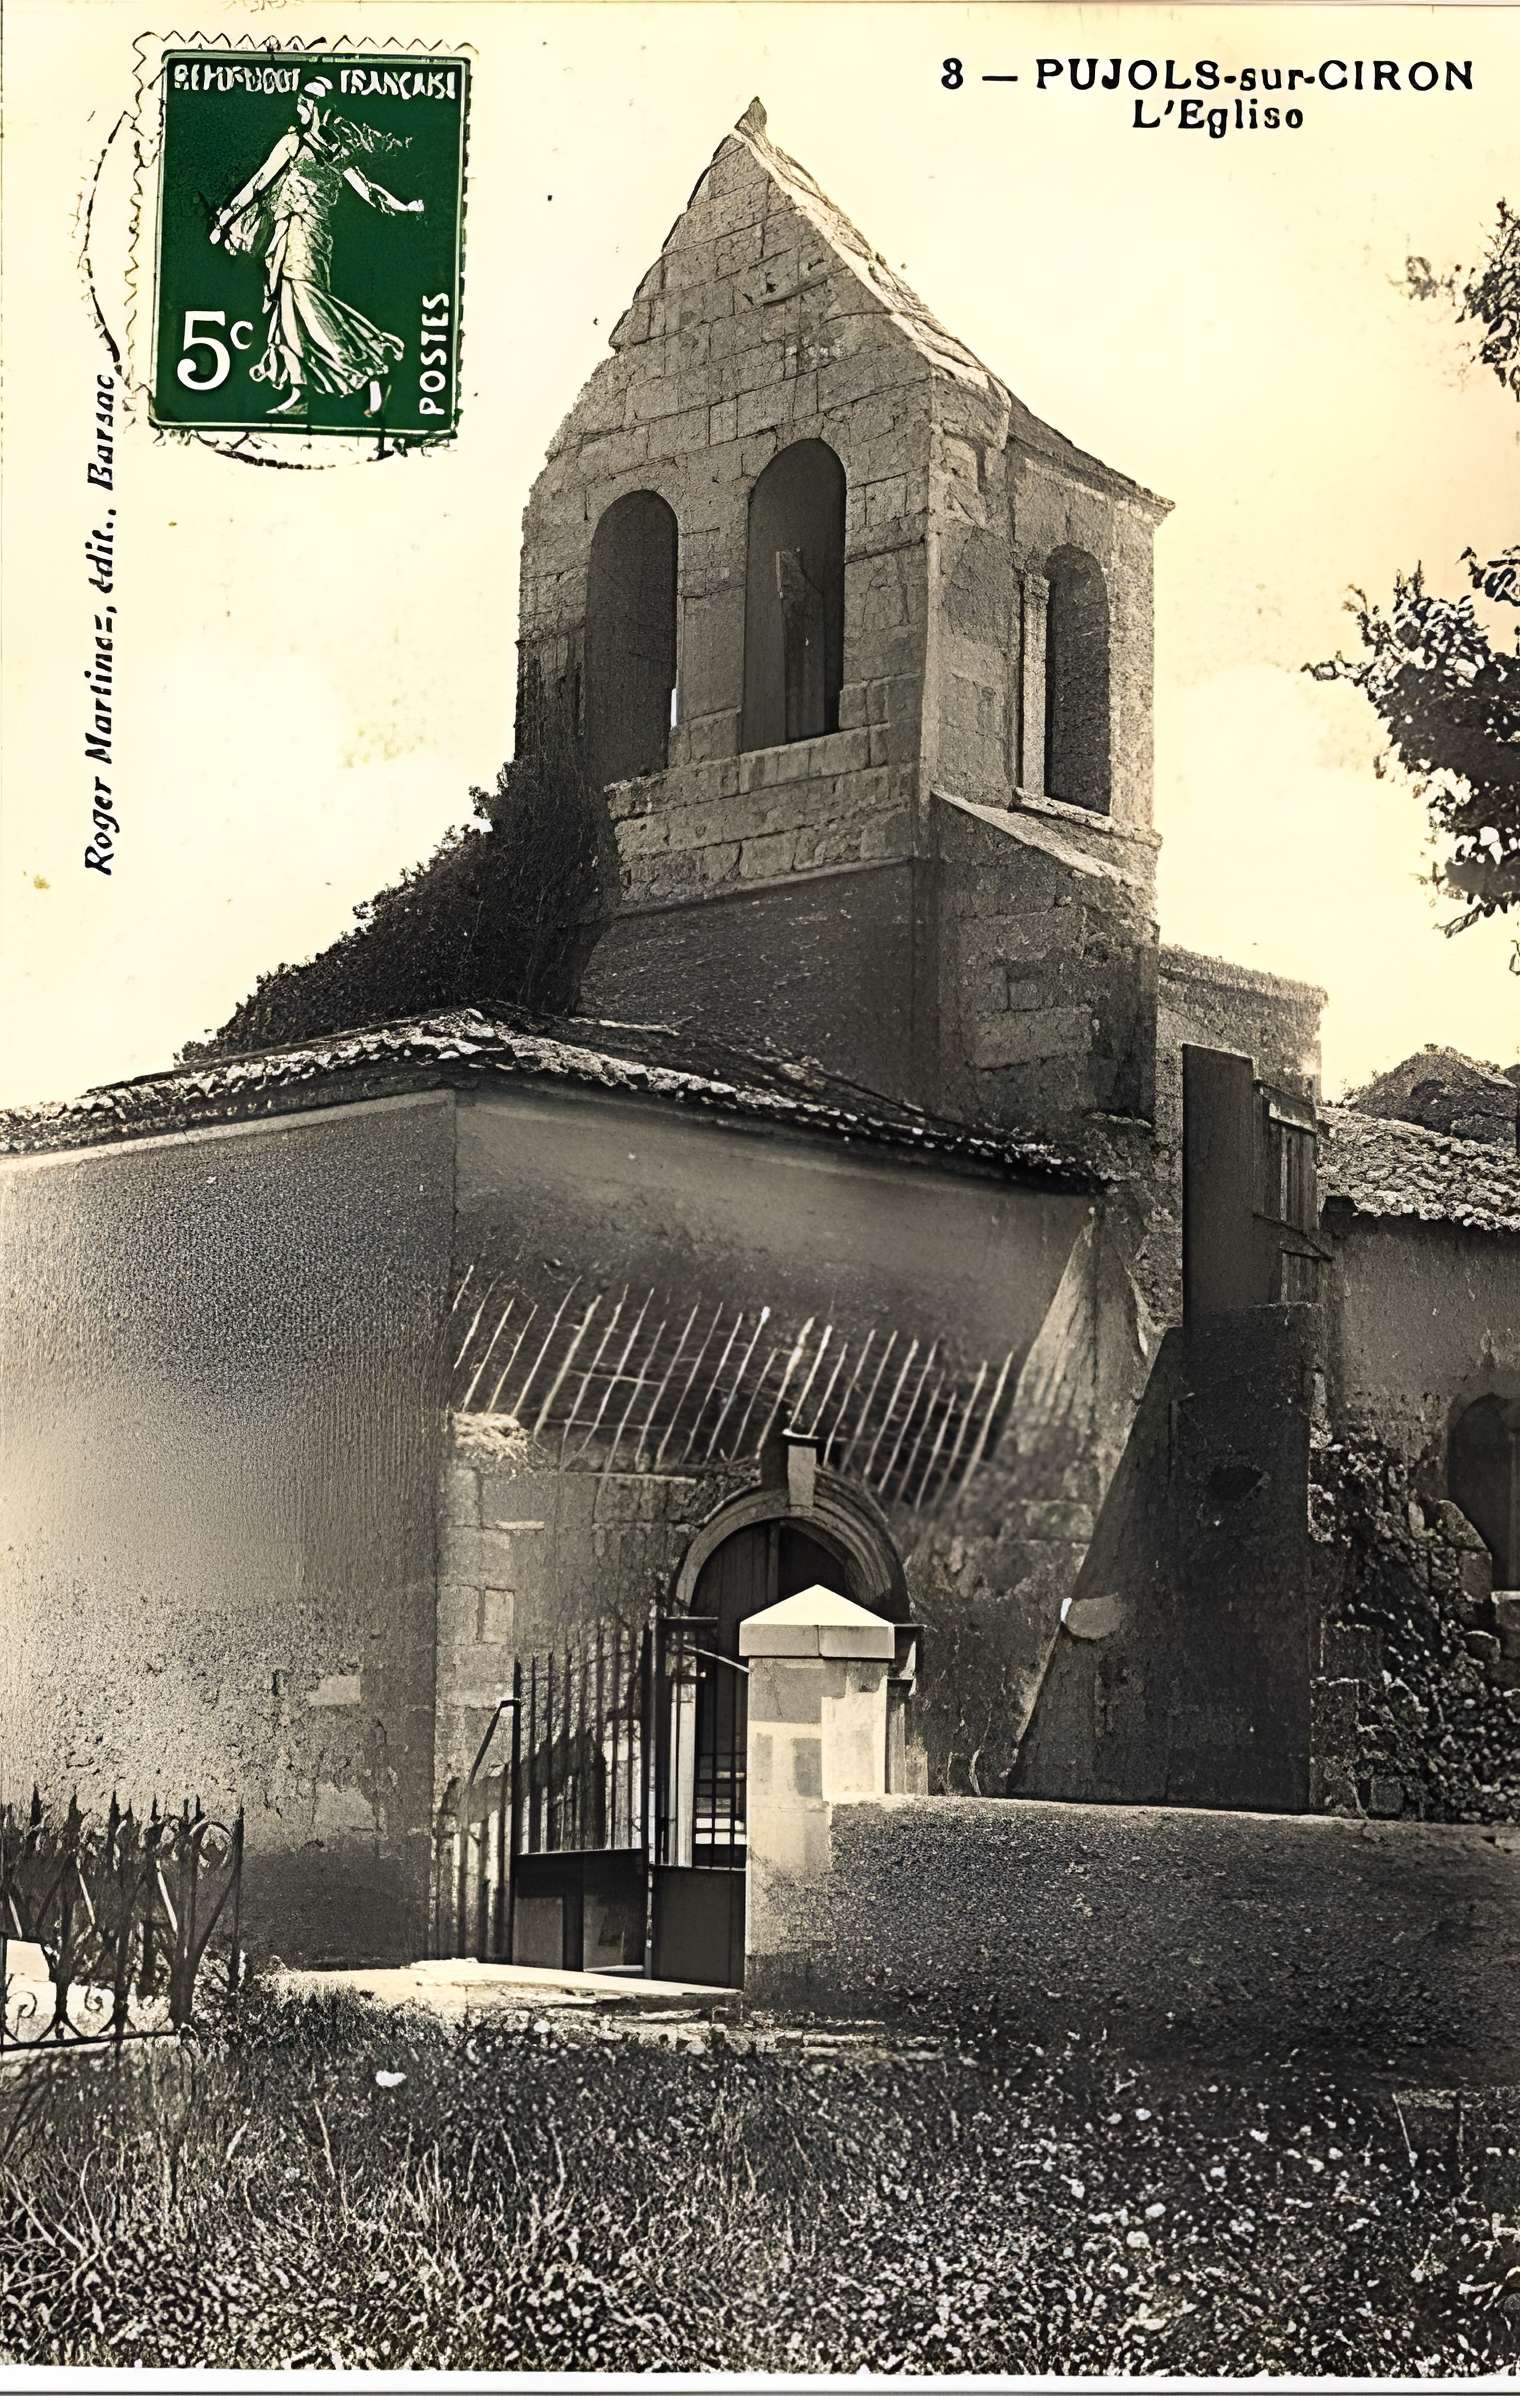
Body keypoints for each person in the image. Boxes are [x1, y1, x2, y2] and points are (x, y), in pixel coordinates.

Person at [209, 78, 424, 419]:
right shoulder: (313, 146)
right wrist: (227, 218)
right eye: (312, 101)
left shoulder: (317, 148)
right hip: (300, 234)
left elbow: (367, 192)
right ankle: (300, 392)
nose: (314, 108)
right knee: (290, 312)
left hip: (306, 235)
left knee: (308, 306)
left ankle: (373, 366)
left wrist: (404, 207)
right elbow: (262, 183)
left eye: (318, 102)